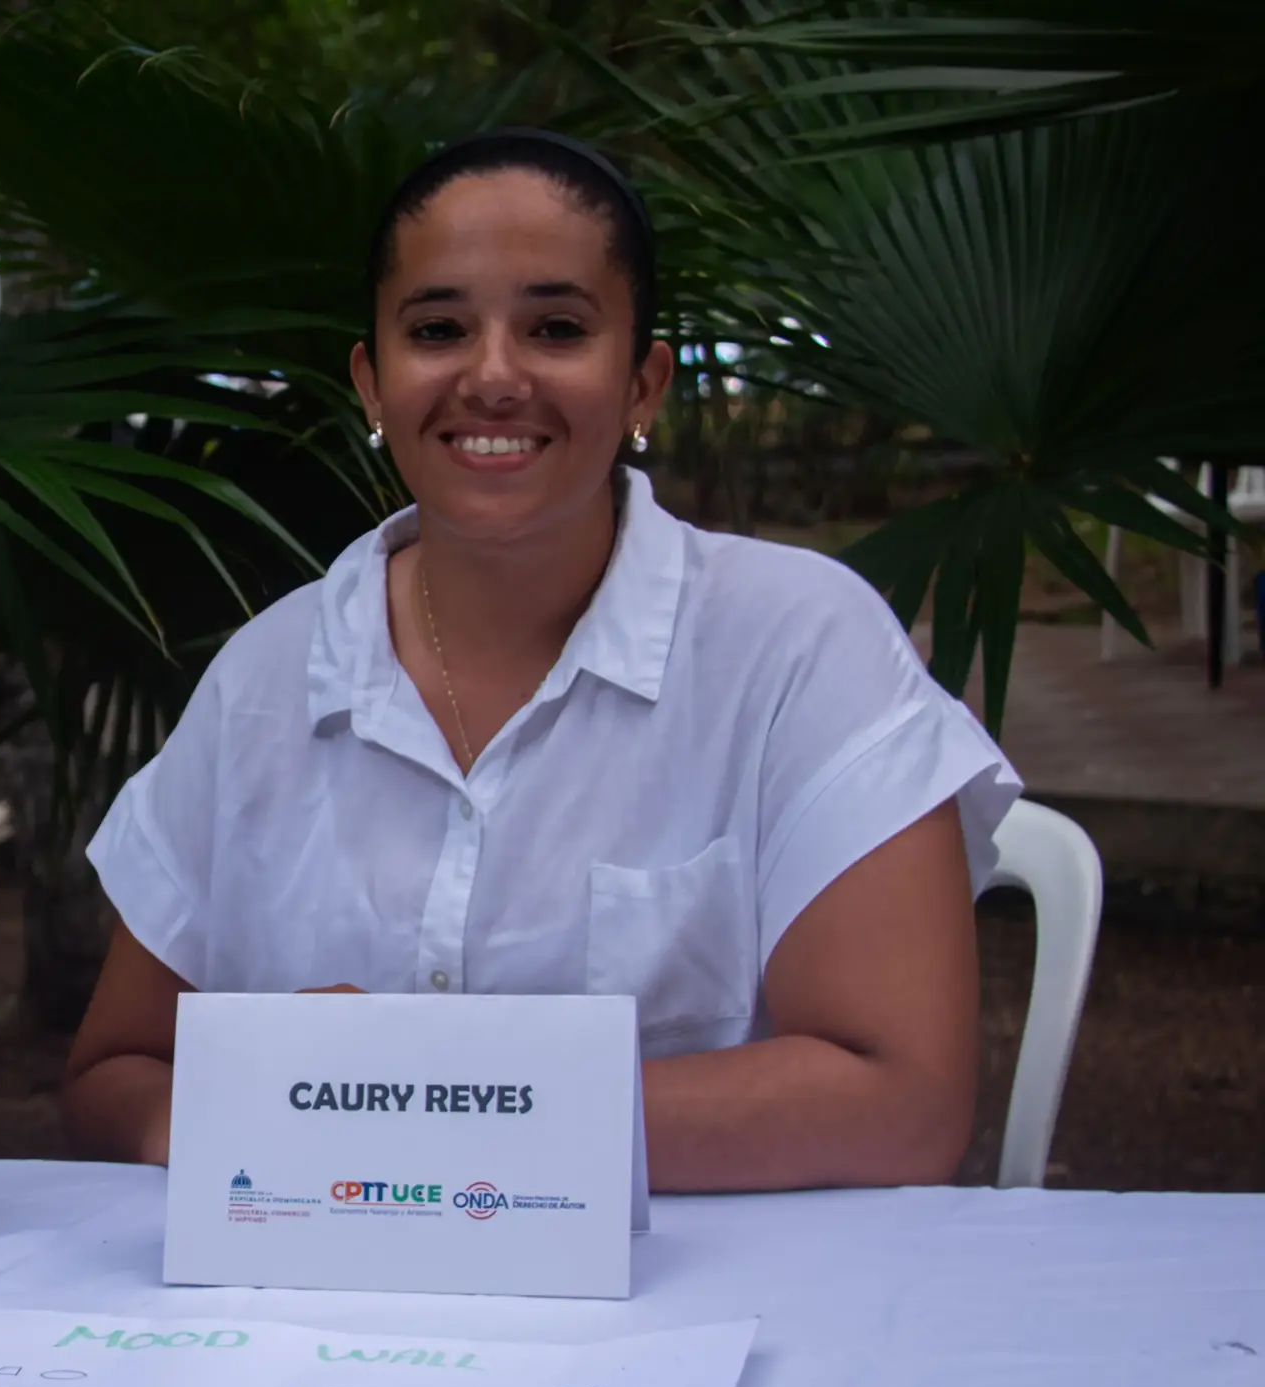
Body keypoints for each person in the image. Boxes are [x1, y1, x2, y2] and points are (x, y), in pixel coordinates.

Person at [60, 129, 1020, 1192]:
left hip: (713, 1287)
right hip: (315, 1282)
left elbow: (901, 1103)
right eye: (438, 330)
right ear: (372, 383)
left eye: (557, 328)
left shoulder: (797, 646)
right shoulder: (264, 679)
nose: (492, 377)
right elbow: (117, 1072)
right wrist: (235, 1111)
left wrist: (412, 1098)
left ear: (643, 383)